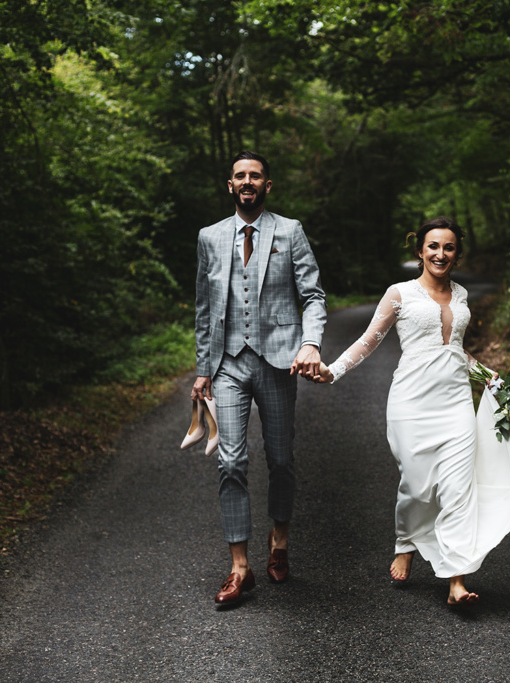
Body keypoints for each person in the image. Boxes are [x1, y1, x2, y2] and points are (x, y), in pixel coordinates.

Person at [316, 217, 510, 606]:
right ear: (420, 251)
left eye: (448, 247)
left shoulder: (460, 294)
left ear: (457, 253)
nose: (440, 254)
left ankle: (457, 580)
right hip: (411, 401)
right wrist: (333, 371)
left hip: (457, 402)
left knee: (458, 490)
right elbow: (368, 340)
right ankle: (406, 541)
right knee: (418, 484)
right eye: (433, 247)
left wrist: (491, 377)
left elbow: (456, 351)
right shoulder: (400, 293)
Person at [192, 151, 327, 606]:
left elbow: (313, 295)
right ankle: (239, 567)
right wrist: (202, 369)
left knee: (282, 458)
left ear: (268, 185)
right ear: (229, 185)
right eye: (239, 176)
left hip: (278, 361)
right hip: (228, 363)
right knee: (230, 461)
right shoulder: (209, 238)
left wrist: (310, 343)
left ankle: (280, 539)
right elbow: (204, 309)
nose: (247, 182)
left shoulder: (289, 231)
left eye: (255, 176)